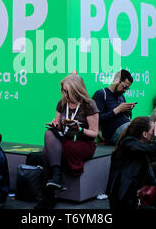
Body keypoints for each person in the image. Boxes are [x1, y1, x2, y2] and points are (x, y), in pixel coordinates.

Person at [36, 74, 99, 209]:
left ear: (76, 90)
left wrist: (80, 129)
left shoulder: (89, 105)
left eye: (67, 91)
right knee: (48, 133)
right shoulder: (62, 103)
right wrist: (55, 125)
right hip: (66, 139)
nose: (65, 94)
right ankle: (56, 177)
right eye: (64, 90)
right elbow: (59, 125)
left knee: (47, 152)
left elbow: (94, 134)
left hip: (83, 143)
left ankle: (49, 196)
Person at [107, 116, 156, 210]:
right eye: (153, 131)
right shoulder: (128, 143)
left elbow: (152, 179)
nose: (154, 134)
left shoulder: (141, 149)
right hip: (121, 200)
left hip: (132, 200)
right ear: (145, 134)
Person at [92, 69, 135, 145]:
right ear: (117, 80)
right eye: (124, 87)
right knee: (136, 128)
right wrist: (117, 110)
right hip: (111, 133)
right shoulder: (101, 94)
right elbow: (96, 120)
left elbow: (124, 117)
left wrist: (128, 110)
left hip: (125, 127)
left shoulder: (121, 96)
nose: (125, 91)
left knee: (147, 123)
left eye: (127, 88)